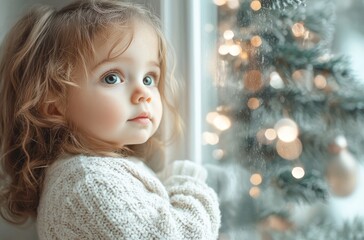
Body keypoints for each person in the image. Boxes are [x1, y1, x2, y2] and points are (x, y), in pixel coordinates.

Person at [0, 0, 221, 239]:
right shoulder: (90, 184)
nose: (143, 93)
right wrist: (187, 182)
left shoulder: (92, 174)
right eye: (112, 78)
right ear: (54, 106)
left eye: (149, 78)